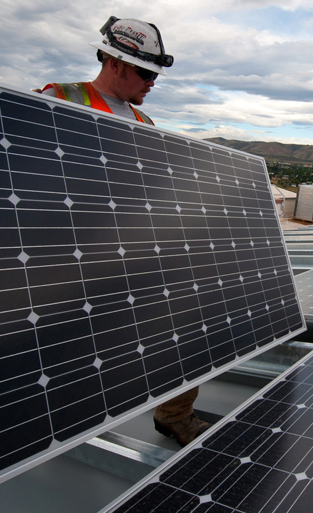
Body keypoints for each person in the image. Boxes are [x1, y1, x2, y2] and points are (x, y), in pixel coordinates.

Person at [41, 17, 209, 447]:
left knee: (184, 322)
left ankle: (175, 414)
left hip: (130, 249)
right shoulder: (58, 98)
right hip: (73, 254)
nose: (152, 82)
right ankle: (55, 421)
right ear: (115, 62)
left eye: (155, 74)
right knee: (75, 346)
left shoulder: (144, 122)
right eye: (145, 72)